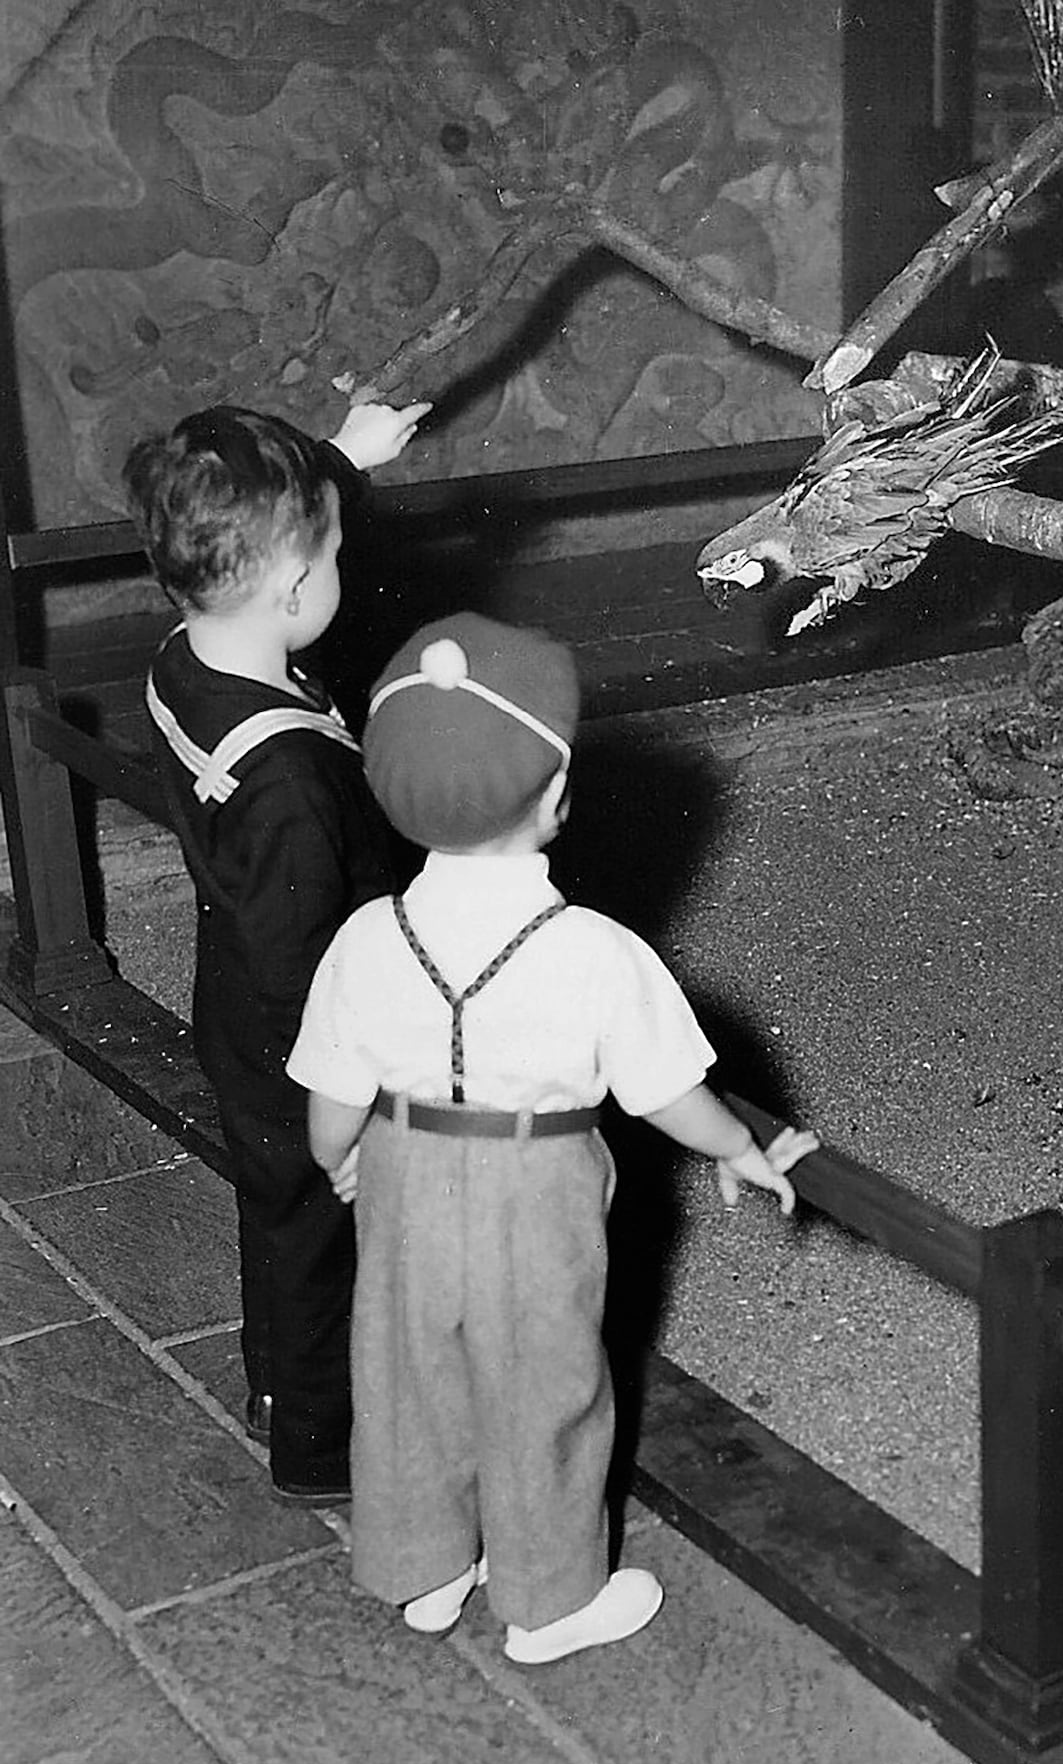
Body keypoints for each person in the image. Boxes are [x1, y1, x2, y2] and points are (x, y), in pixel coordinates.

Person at [284, 612, 817, 1664]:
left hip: (401, 1165)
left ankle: (424, 1566)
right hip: (537, 1179)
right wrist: (736, 1150)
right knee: (547, 1378)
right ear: (559, 797)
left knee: (404, 1367)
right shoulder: (594, 952)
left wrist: (338, 1156)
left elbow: (330, 1092)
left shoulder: (364, 937)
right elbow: (670, 1090)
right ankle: (549, 1594)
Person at [123, 397, 431, 1506]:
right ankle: (319, 1446)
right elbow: (312, 966)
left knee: (279, 1213)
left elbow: (263, 533)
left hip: (238, 1003)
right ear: (297, 587)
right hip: (310, 1030)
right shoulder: (294, 778)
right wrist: (348, 1104)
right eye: (336, 547)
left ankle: (269, 1383)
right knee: (324, 1241)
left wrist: (341, 460)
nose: (343, 559)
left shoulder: (182, 657)